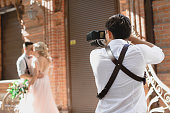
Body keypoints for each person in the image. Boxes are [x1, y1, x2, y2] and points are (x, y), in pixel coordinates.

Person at [90, 14, 165, 113]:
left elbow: (110, 50)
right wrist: (135, 40)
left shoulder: (95, 55)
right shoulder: (139, 52)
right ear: (129, 34)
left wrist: (108, 42)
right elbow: (160, 55)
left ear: (109, 33)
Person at [18, 42, 60, 113]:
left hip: (38, 82)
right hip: (45, 81)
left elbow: (36, 75)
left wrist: (29, 85)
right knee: (46, 101)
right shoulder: (47, 59)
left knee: (36, 102)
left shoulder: (36, 60)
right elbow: (43, 73)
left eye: (33, 49)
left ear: (37, 50)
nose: (32, 50)